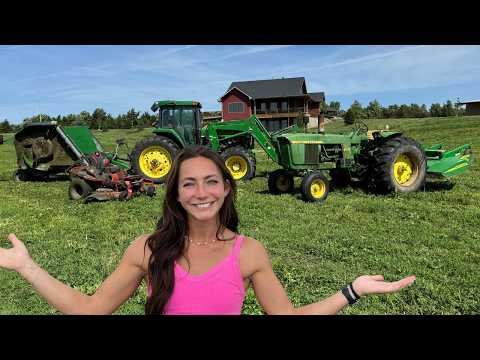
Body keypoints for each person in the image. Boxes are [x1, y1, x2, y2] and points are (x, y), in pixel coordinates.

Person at [0, 145, 415, 315]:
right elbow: (90, 310)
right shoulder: (146, 249)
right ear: (176, 193)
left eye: (211, 181)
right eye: (189, 183)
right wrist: (27, 267)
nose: (201, 192)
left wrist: (352, 290)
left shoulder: (249, 253)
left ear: (227, 187)